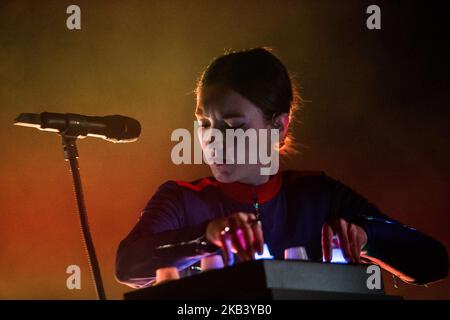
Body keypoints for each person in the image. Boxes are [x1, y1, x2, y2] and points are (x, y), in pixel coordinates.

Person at [115, 47, 448, 288]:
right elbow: (128, 265)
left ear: (279, 127)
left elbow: (432, 262)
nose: (212, 139)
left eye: (233, 125)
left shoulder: (317, 195)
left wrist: (366, 236)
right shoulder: (181, 199)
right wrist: (207, 236)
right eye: (203, 123)